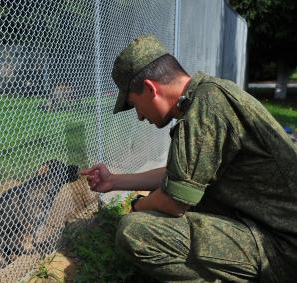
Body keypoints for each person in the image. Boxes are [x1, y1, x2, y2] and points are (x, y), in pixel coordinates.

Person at [81, 35, 297, 282]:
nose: (140, 117)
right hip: (271, 229)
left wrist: (135, 208)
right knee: (169, 204)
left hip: (282, 250)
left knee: (136, 231)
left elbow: (174, 202)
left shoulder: (206, 107)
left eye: (135, 104)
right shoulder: (208, 95)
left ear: (151, 89)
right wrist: (114, 181)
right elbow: (181, 178)